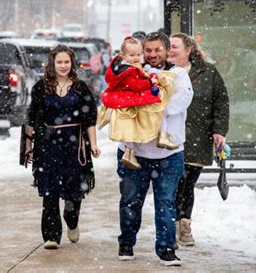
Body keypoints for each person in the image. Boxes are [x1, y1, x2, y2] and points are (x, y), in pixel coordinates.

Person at [116, 32, 193, 266]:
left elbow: (183, 99)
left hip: (169, 154)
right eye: (148, 50)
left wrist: (154, 106)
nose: (152, 55)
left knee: (165, 202)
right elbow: (118, 100)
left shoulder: (178, 74)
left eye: (157, 50)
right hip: (134, 152)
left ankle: (167, 248)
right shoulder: (131, 73)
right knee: (130, 201)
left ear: (166, 50)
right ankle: (127, 242)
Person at [25, 44, 101, 249]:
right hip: (47, 145)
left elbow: (90, 119)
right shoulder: (41, 87)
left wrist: (93, 144)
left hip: (75, 145)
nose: (63, 65)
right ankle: (51, 236)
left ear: (72, 63)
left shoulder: (81, 88)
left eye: (66, 62)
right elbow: (31, 118)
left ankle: (72, 219)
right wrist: (27, 145)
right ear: (53, 63)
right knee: (49, 191)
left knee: (73, 192)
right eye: (59, 62)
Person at [168, 33, 229, 247]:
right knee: (174, 182)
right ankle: (172, 226)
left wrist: (219, 130)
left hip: (197, 137)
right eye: (169, 46)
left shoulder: (208, 72)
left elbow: (221, 101)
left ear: (188, 50)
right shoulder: (163, 72)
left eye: (175, 46)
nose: (171, 50)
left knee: (187, 183)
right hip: (170, 137)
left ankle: (183, 225)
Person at [98, 36, 178, 169]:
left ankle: (147, 143)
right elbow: (135, 84)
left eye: (138, 54)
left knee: (149, 114)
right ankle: (132, 150)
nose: (136, 57)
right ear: (123, 55)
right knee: (153, 110)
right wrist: (150, 81)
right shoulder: (127, 69)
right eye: (132, 55)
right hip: (132, 97)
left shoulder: (129, 66)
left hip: (130, 97)